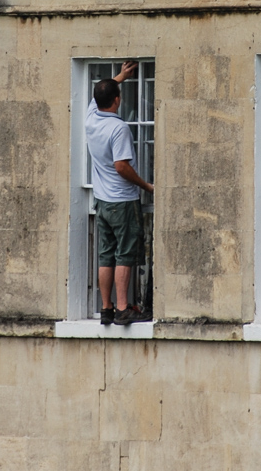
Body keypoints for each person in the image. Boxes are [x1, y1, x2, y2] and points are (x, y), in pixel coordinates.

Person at [85, 60, 154, 326]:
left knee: (106, 255)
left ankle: (107, 308)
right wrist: (146, 185)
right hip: (122, 201)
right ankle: (124, 308)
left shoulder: (91, 117)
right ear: (117, 100)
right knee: (125, 254)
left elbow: (102, 93)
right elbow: (122, 166)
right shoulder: (118, 128)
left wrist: (121, 76)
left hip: (101, 202)